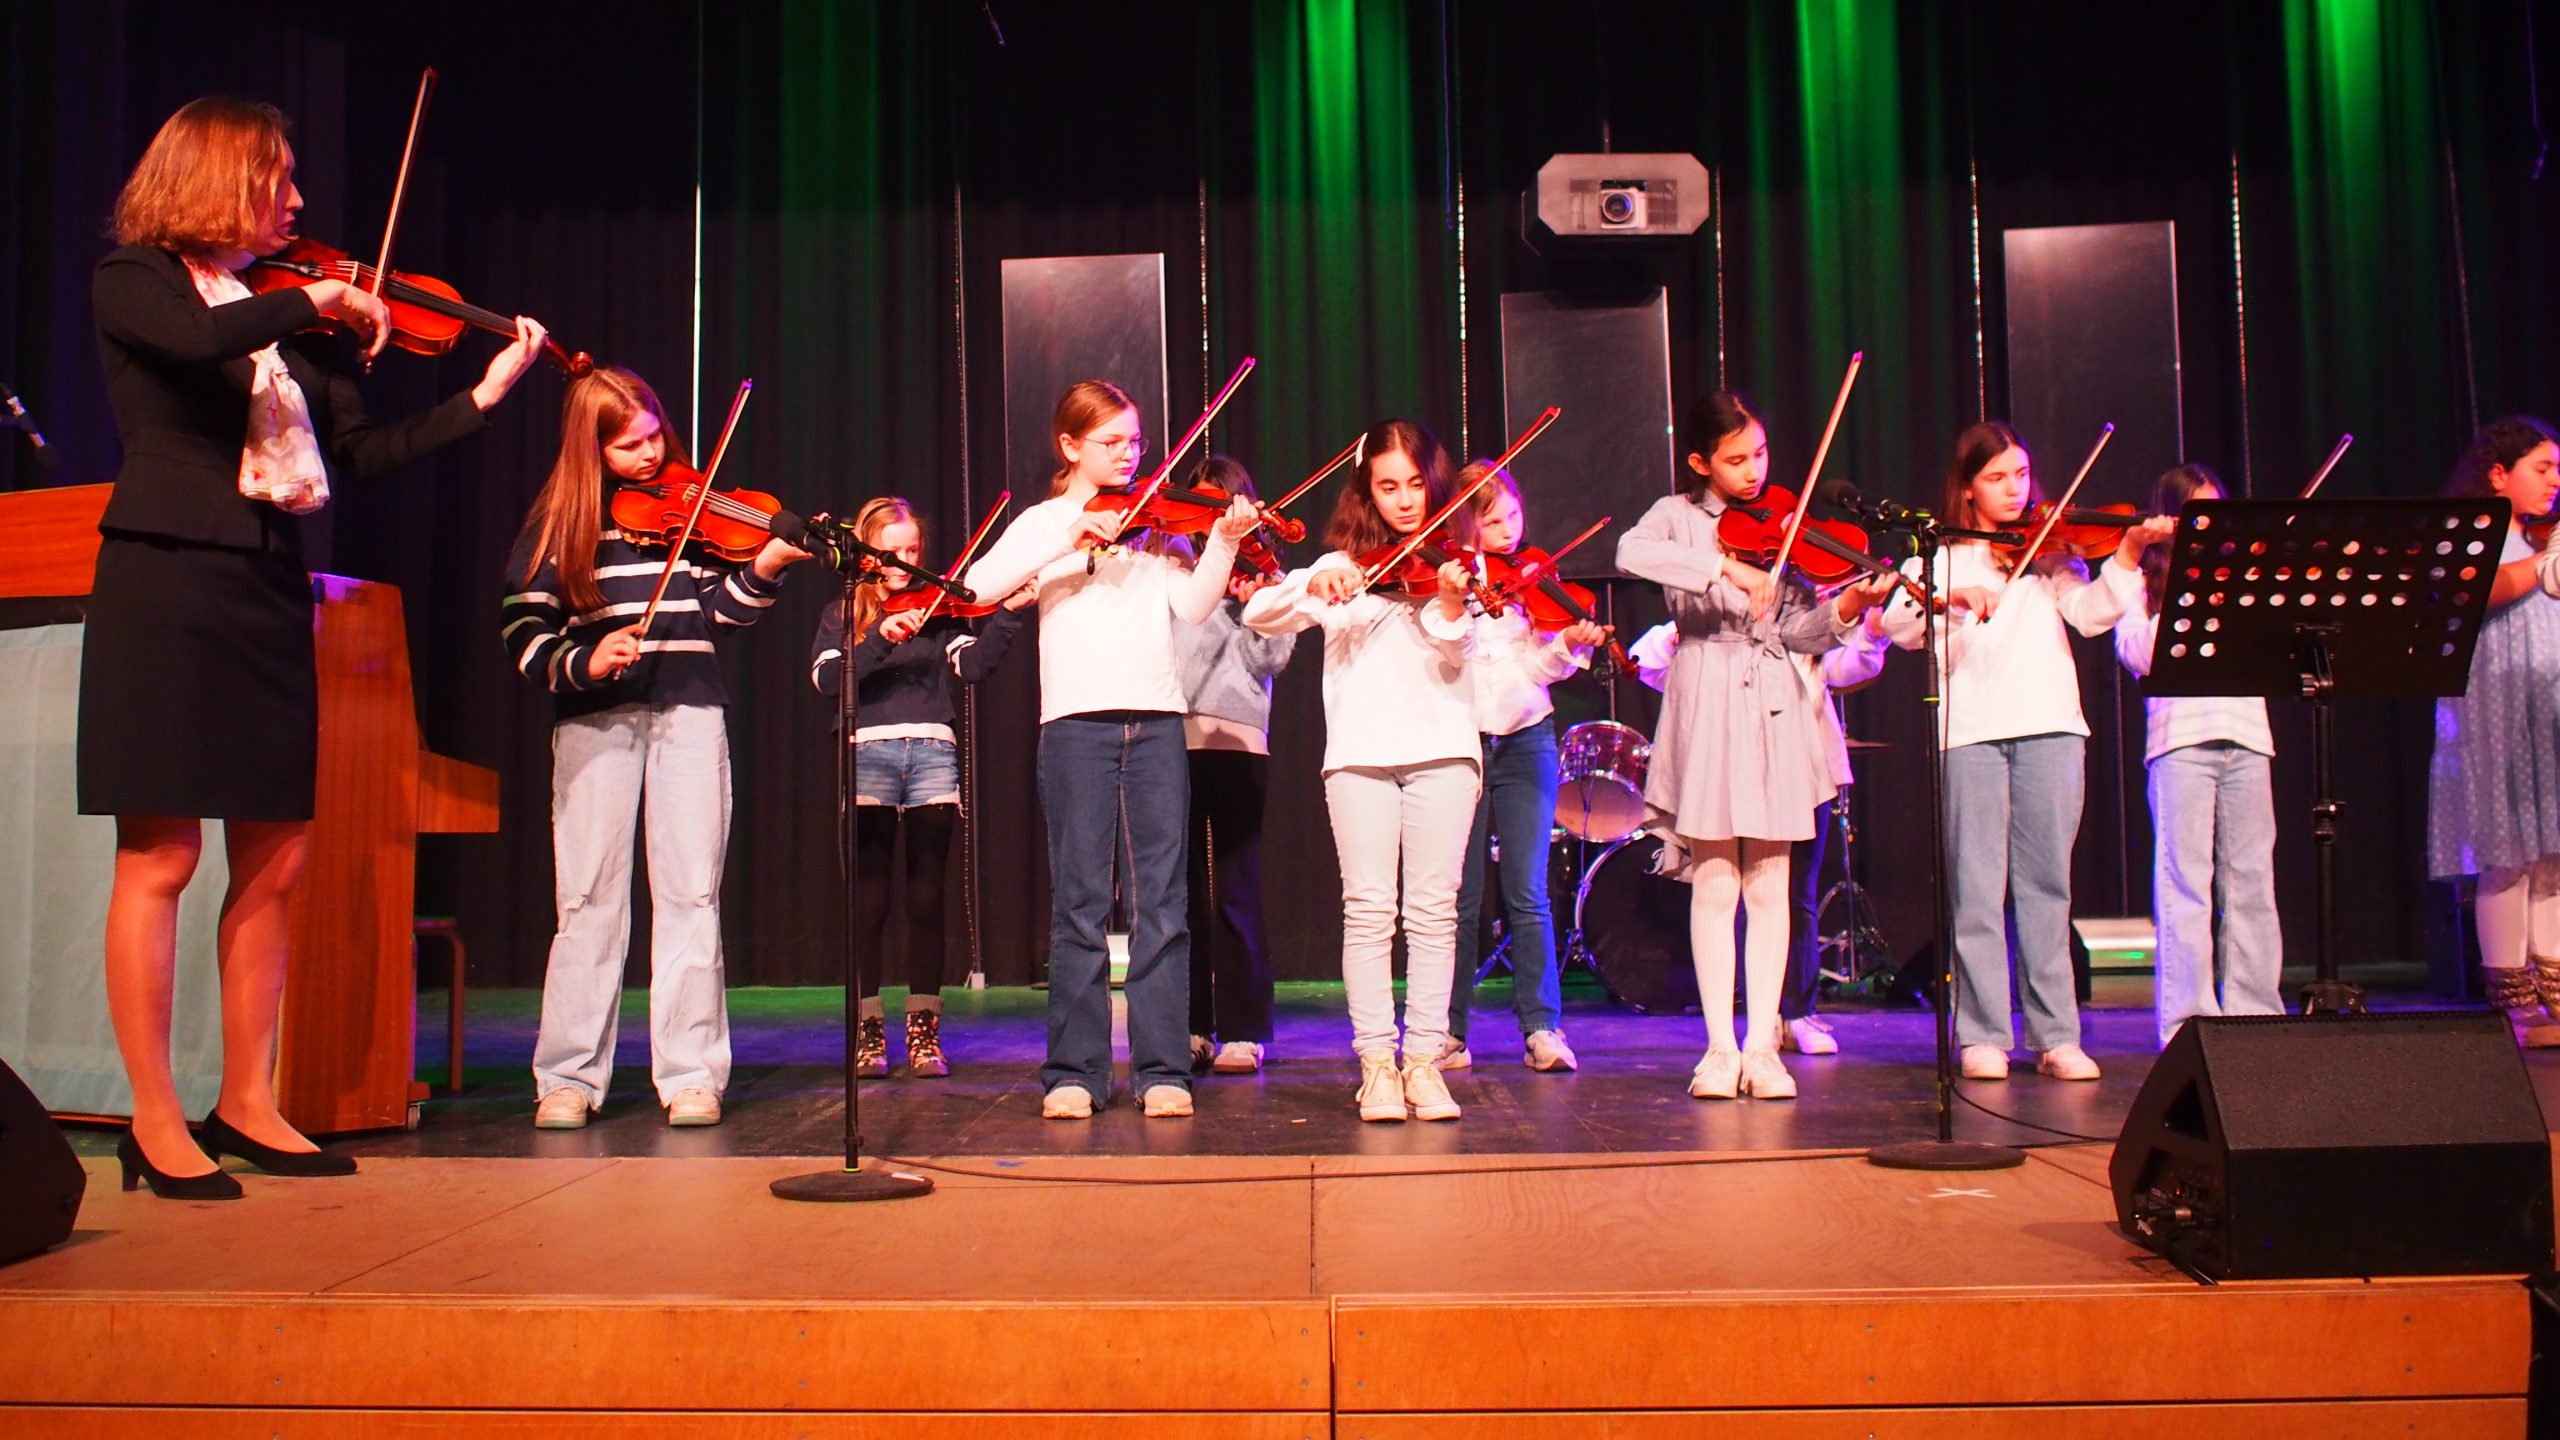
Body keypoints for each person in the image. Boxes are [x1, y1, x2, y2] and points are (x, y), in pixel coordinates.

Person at [82, 97, 546, 1197]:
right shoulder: (136, 281)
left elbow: (362, 455)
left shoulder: (288, 321)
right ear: (218, 176)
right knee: (162, 854)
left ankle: (248, 1101)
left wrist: (481, 396)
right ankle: (155, 1117)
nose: (296, 200)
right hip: (165, 577)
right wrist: (318, 295)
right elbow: (196, 343)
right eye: (277, 178)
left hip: (264, 584)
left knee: (277, 857)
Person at [502, 367, 809, 1130]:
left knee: (691, 893)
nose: (649, 456)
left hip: (689, 708)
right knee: (587, 898)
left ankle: (692, 1074)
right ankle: (568, 1078)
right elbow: (522, 629)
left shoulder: (686, 511)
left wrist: (764, 567)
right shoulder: (561, 526)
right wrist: (586, 660)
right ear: (591, 449)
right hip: (594, 717)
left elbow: (719, 613)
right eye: (627, 446)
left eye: (653, 438)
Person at [962, 381, 1256, 1120]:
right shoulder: (1044, 522)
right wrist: (1069, 539)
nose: (1130, 455)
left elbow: (1194, 608)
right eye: (1112, 442)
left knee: (1163, 902)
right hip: (1074, 725)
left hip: (1156, 721)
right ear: (1069, 446)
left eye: (1135, 441)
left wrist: (1223, 542)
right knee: (1081, 902)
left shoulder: (1155, 526)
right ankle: (1075, 1071)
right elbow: (976, 587)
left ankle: (1162, 1069)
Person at [1617, 391, 1893, 1102]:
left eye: (1761, 454)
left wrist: (1847, 608)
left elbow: (1799, 632)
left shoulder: (1786, 524)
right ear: (1700, 461)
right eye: (1736, 459)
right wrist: (1725, 568)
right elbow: (1630, 551)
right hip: (1707, 694)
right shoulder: (1676, 516)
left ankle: (1763, 1044)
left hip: (1774, 701)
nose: (1754, 471)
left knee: (1770, 882)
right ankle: (1717, 1049)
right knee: (1716, 880)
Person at [1877, 421, 2172, 1082]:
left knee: (2047, 887)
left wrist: (2126, 555)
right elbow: (1898, 624)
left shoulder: (2051, 553)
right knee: (1976, 889)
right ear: (1968, 489)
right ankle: (1983, 1034)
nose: (2015, 490)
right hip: (1970, 733)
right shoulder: (1939, 556)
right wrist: (1953, 598)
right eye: (1997, 478)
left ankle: (2055, 1034)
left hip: (2051, 726)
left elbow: (2092, 615)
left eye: (2021, 474)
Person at [1244, 420, 1481, 1122]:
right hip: (1358, 756)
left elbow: (1459, 648)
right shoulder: (1343, 566)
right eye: (1388, 486)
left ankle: (1424, 1062)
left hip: (1444, 749)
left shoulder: (1458, 564)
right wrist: (1317, 581)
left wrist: (1449, 602)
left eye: (1415, 485)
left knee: (1434, 913)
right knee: (1370, 910)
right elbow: (1259, 613)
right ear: (1366, 490)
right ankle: (1377, 1064)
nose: (1405, 501)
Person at [811, 497, 1032, 1077]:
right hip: (867, 752)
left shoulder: (940, 609)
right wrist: (879, 638)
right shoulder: (843, 612)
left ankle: (924, 1032)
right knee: (870, 898)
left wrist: (1007, 614)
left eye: (913, 550)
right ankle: (867, 1031)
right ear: (868, 553)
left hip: (932, 751)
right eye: (894, 552)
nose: (906, 562)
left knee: (927, 898)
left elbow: (974, 666)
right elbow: (828, 679)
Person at [2112, 464, 2282, 1047]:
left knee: (2252, 882)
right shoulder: (2144, 580)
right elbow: (2136, 653)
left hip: (2248, 738)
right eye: (2197, 513)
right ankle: (2189, 1025)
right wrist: (2190, 594)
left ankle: (2256, 1015)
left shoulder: (2246, 574)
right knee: (2185, 884)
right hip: (2179, 742)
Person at [1447, 462, 1608, 1073]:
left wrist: (1567, 645)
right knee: (1458, 897)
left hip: (1526, 738)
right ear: (1465, 523)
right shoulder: (1449, 581)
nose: (1509, 530)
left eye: (1513, 515)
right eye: (1492, 521)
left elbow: (1539, 672)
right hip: (1461, 740)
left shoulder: (1532, 581)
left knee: (1528, 891)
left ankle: (1542, 1027)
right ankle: (1447, 1030)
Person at [2427, 418, 2560, 1045]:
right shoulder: (2472, 535)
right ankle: (2513, 997)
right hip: (2493, 707)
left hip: (2546, 708)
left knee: (2552, 855)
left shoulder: (2540, 539)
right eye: (2542, 468)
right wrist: (2546, 561)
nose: (2555, 482)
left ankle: (2554, 985)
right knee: (2506, 856)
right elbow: (2479, 591)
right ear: (2499, 474)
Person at [1172, 457, 1298, 1075]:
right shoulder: (1173, 568)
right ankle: (1192, 1024)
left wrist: (1254, 612)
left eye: (1221, 504)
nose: (1211, 518)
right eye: (1201, 505)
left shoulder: (1269, 573)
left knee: (1237, 887)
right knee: (1182, 894)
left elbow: (1271, 662)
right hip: (1173, 740)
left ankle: (1245, 1029)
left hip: (1241, 742)